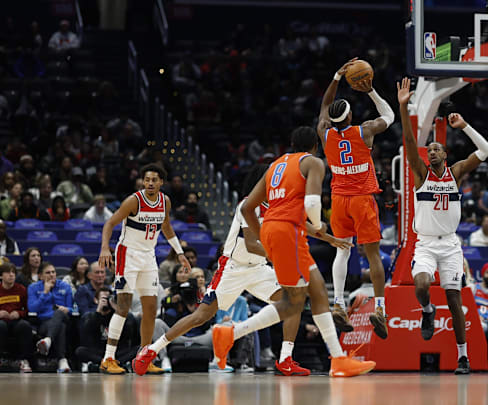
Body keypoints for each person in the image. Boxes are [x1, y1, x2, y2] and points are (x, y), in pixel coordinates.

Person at [134, 162, 354, 376]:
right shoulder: (248, 205)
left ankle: (285, 358)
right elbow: (251, 244)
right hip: (233, 268)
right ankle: (151, 350)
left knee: (293, 301)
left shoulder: (277, 205)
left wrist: (328, 238)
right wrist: (281, 256)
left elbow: (301, 224)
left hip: (259, 268)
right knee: (200, 316)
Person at [212, 126, 376, 377]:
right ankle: (231, 333)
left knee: (317, 293)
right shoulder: (313, 162)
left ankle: (338, 360)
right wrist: (319, 224)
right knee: (293, 302)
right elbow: (311, 203)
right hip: (288, 232)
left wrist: (266, 235)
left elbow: (248, 209)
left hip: (277, 230)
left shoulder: (276, 165)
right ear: (315, 146)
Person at [398, 77, 488, 374]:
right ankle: (426, 311)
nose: (433, 151)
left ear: (446, 154)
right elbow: (410, 141)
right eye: (431, 149)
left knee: (454, 300)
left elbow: (486, 150)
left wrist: (464, 126)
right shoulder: (421, 173)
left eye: (438, 148)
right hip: (425, 243)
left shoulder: (456, 172)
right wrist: (403, 108)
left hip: (450, 244)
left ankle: (462, 357)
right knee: (423, 283)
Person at [316, 58, 394, 339]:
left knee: (342, 250)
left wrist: (336, 76)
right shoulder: (364, 131)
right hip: (362, 199)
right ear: (349, 117)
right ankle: (381, 308)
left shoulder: (324, 134)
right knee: (372, 254)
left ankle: (338, 304)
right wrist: (371, 90)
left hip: (338, 200)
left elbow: (325, 106)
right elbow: (389, 116)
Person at [97, 164, 191, 374]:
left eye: (154, 180)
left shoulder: (165, 201)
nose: (149, 183)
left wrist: (180, 252)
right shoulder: (134, 201)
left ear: (161, 183)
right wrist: (105, 248)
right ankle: (108, 358)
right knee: (124, 306)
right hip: (127, 255)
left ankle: (143, 358)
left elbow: (166, 227)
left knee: (151, 308)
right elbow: (109, 224)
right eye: (146, 180)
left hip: (148, 256)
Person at [75, 287, 139, 369]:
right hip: (99, 351)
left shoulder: (121, 315)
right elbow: (86, 337)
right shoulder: (91, 316)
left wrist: (118, 311)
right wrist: (98, 312)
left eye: (109, 298)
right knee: (80, 351)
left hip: (118, 351)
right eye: (103, 299)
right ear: (96, 300)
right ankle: (113, 363)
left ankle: (102, 364)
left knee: (138, 349)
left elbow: (129, 333)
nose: (107, 301)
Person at [27, 262, 73, 373]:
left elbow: (72, 309)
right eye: (48, 273)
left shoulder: (65, 286)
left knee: (59, 313)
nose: (52, 275)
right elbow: (32, 308)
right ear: (40, 276)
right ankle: (62, 359)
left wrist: (67, 310)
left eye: (53, 272)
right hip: (44, 323)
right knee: (60, 326)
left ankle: (48, 340)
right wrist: (45, 293)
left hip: (65, 319)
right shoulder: (33, 288)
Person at [0, 263, 33, 372]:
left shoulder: (22, 289)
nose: (11, 275)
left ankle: (24, 360)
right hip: (1, 321)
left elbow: (29, 309)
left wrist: (19, 313)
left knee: (24, 325)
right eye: (8, 272)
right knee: (1, 325)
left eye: (13, 272)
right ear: (1, 276)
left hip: (16, 321)